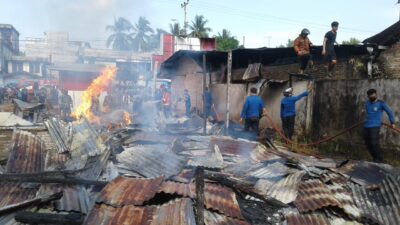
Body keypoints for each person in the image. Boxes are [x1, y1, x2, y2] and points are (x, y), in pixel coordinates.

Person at [363, 89, 395, 163]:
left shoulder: (381, 103)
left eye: (373, 94)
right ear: (368, 96)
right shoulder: (367, 103)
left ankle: (380, 160)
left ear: (376, 94)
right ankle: (375, 158)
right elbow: (368, 113)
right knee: (367, 144)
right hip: (366, 126)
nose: (372, 96)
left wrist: (392, 122)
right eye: (370, 95)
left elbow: (389, 112)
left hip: (375, 126)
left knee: (374, 143)